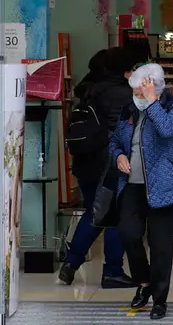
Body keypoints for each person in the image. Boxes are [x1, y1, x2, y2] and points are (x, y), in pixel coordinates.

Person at [110, 63, 173, 320]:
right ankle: (144, 282)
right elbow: (114, 140)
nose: (135, 97)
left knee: (160, 246)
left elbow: (168, 130)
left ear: (153, 87)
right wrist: (118, 155)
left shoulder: (172, 105)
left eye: (139, 91)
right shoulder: (128, 109)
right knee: (128, 233)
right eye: (134, 92)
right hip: (132, 185)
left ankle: (159, 299)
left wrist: (152, 102)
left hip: (164, 186)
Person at [58, 48, 137, 288]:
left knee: (95, 213)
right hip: (110, 163)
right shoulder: (123, 94)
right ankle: (112, 271)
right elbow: (123, 131)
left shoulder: (88, 89)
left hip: (85, 163)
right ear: (123, 70)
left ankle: (71, 263)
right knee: (115, 216)